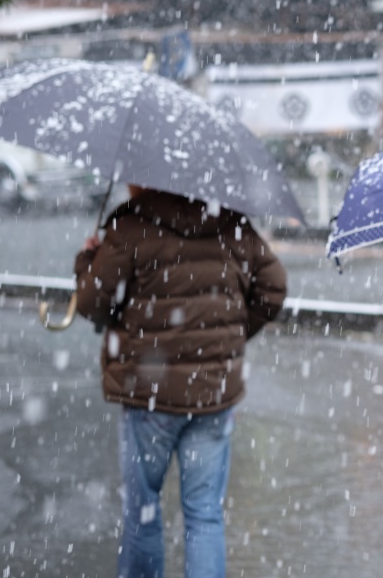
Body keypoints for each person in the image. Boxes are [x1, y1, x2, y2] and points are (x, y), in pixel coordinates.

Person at [73, 185, 287, 578]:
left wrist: (88, 259)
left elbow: (91, 303)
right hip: (214, 394)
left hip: (148, 394)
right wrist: (229, 339)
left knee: (142, 514)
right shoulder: (232, 222)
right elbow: (273, 290)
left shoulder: (132, 224)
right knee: (204, 514)